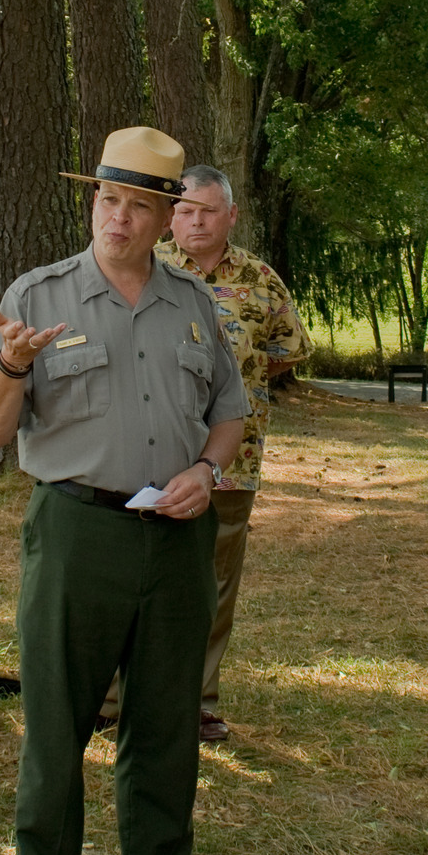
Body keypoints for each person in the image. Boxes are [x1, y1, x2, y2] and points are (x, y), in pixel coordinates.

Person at [0, 126, 252, 855]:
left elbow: (229, 411)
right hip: (78, 531)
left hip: (177, 535)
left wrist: (207, 471)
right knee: (57, 730)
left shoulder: (194, 305)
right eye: (106, 199)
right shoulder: (40, 295)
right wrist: (12, 364)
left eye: (137, 205)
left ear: (169, 218)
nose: (117, 218)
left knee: (165, 730)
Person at [139, 162, 303, 745]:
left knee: (213, 585)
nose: (195, 221)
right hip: (152, 457)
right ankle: (118, 699)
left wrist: (235, 397)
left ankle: (197, 701)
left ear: (231, 215)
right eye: (184, 210)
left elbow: (284, 353)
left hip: (234, 461)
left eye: (208, 210)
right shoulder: (144, 270)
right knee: (140, 578)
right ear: (168, 217)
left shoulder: (261, 280)